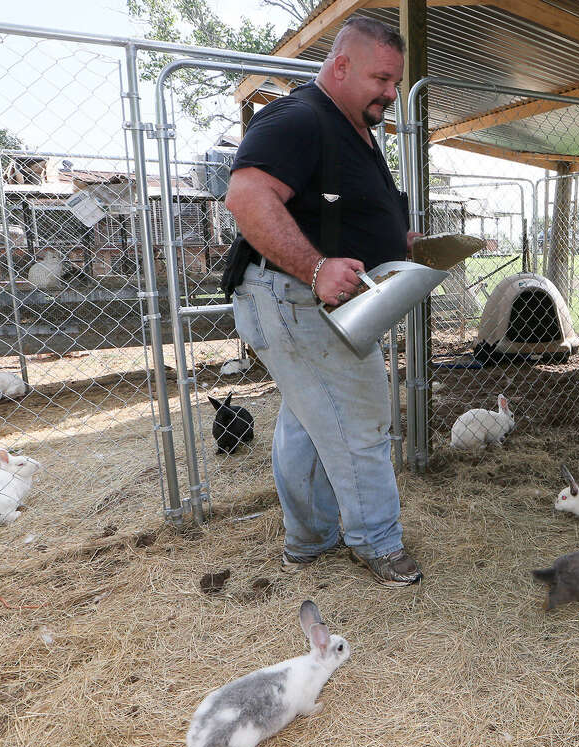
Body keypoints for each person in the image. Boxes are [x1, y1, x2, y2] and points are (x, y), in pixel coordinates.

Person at [224, 17, 421, 586]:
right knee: (360, 421)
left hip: (308, 300)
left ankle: (309, 538)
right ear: (340, 66)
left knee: (310, 417)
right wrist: (314, 267)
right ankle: (377, 542)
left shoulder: (352, 128)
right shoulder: (301, 116)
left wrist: (398, 240)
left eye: (395, 81)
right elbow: (247, 195)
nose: (391, 92)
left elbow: (337, 212)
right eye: (382, 78)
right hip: (296, 296)